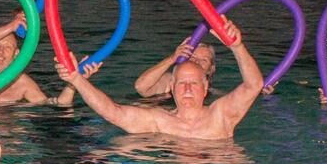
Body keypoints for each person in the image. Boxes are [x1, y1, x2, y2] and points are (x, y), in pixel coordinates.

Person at [56, 16, 262, 139]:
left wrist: (237, 47)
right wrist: (76, 79)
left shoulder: (221, 114)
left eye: (193, 83)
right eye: (182, 83)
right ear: (171, 86)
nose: (188, 89)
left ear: (206, 86)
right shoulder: (159, 121)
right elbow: (113, 112)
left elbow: (254, 86)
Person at [0, 12, 85, 106]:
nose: (0, 52)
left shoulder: (22, 83)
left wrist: (73, 82)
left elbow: (56, 106)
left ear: (16, 54)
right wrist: (10, 27)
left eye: (7, 48)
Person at [133, 40, 217, 97]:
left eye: (204, 60)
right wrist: (172, 58)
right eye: (192, 57)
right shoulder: (170, 81)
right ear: (184, 60)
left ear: (211, 69)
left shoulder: (214, 95)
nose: (197, 62)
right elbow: (141, 87)